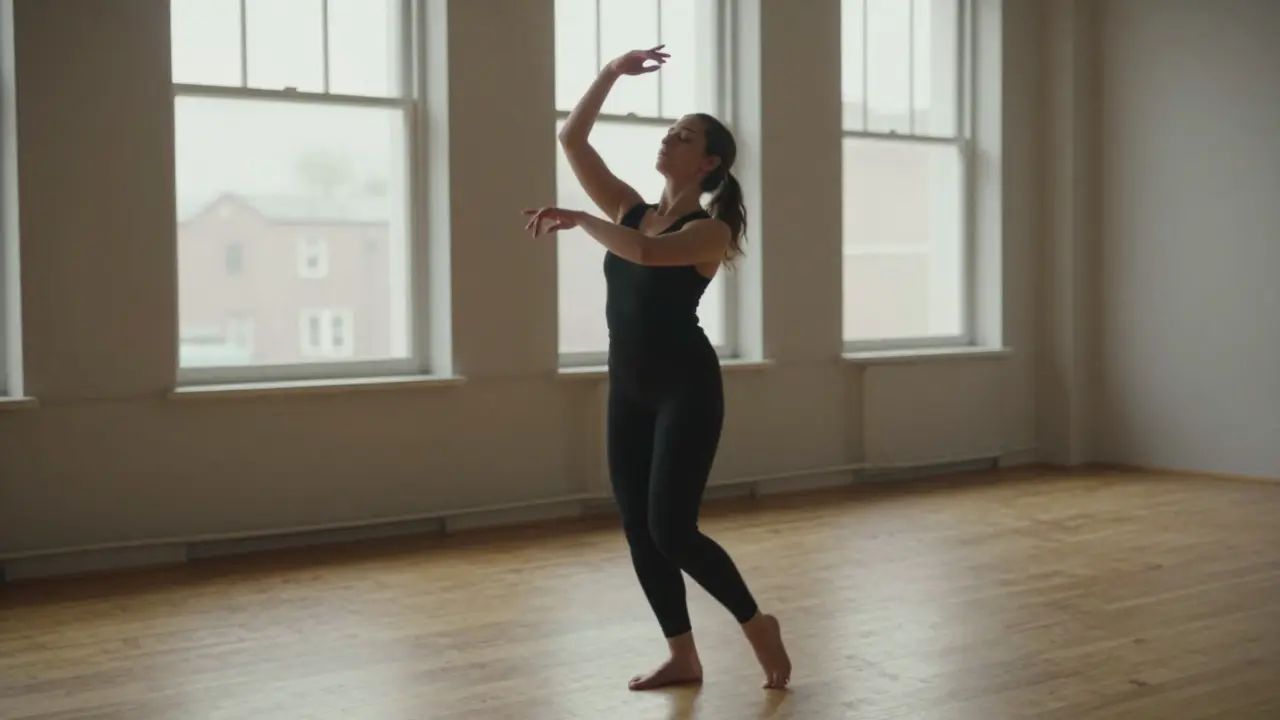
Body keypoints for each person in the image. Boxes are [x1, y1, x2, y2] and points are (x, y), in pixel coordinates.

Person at [523, 45, 792, 692]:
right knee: (638, 527)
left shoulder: (710, 231)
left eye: (685, 134)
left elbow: (645, 253)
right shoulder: (631, 207)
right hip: (631, 387)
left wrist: (583, 218)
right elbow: (572, 137)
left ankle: (757, 624)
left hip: (686, 389)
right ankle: (683, 655)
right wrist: (611, 74)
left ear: (709, 162)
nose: (670, 137)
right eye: (669, 129)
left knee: (672, 528)